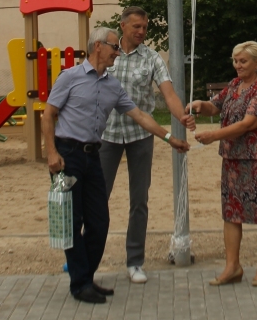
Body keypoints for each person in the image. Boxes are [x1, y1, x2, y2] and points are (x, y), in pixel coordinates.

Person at [41, 26, 189, 304]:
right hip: (68, 155)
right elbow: (48, 116)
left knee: (100, 222)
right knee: (73, 222)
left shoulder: (112, 86)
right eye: (114, 48)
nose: (117, 53)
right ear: (98, 46)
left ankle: (86, 276)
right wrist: (51, 152)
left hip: (93, 155)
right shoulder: (69, 77)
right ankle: (80, 283)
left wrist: (170, 138)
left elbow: (140, 116)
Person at [99, 6, 196, 284]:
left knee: (139, 200)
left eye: (144, 27)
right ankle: (86, 257)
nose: (141, 32)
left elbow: (168, 93)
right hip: (107, 135)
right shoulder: (108, 54)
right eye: (136, 27)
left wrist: (182, 116)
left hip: (141, 135)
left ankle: (135, 261)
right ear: (123, 26)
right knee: (98, 197)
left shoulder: (152, 58)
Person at [189, 41, 257, 287]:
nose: (237, 65)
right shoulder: (235, 85)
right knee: (232, 212)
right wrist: (199, 105)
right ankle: (233, 266)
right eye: (235, 61)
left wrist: (213, 136)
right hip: (233, 158)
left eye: (243, 61)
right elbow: (214, 106)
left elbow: (248, 124)